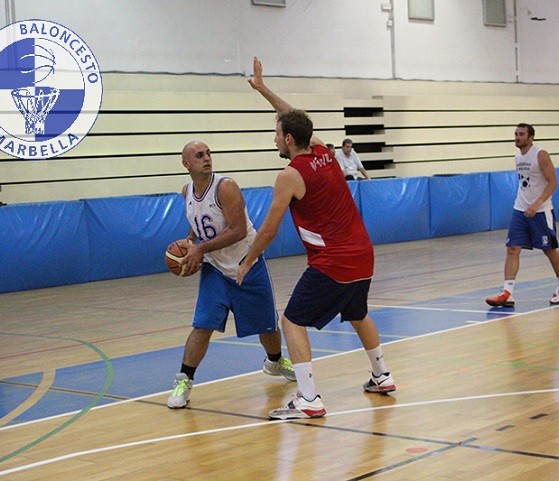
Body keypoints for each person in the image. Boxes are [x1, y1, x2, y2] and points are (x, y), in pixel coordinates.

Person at [236, 57, 395, 420]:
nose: (274, 139)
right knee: (357, 313)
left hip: (333, 261)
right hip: (362, 255)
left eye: (277, 134)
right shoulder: (324, 151)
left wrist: (246, 261)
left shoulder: (290, 174)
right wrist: (263, 90)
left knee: (291, 322)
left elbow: (269, 229)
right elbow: (296, 118)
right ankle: (382, 375)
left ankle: (308, 397)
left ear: (289, 141)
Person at [167, 140, 295, 409]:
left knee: (267, 325)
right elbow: (198, 228)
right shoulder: (186, 191)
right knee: (203, 325)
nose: (207, 158)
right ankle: (184, 380)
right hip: (215, 269)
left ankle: (274, 360)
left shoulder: (225, 187)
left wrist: (200, 248)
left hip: (247, 262)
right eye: (199, 155)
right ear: (186, 163)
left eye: (208, 153)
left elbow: (237, 230)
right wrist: (190, 242)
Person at [486, 123, 559, 308]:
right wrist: (525, 205)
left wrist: (536, 204)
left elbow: (553, 183)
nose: (517, 137)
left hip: (540, 211)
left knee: (549, 249)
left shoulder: (540, 154)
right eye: (516, 134)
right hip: (520, 209)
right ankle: (507, 292)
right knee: (512, 248)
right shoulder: (518, 156)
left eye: (521, 134)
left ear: (531, 137)